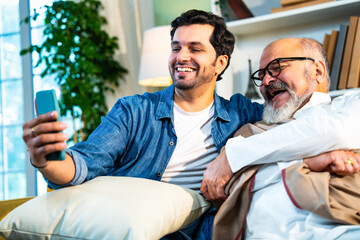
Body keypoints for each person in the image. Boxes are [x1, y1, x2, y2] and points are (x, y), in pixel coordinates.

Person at [22, 9, 263, 239]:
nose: (181, 57)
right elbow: (84, 163)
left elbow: (294, 121)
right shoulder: (133, 111)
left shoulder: (241, 112)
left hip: (205, 230)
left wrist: (228, 155)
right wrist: (45, 159)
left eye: (195, 48)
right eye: (176, 47)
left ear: (220, 62)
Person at [200, 38, 360, 239]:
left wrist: (236, 157)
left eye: (276, 68)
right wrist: (308, 162)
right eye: (261, 75)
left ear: (317, 71)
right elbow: (226, 187)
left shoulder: (350, 104)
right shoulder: (249, 133)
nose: (266, 81)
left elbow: (337, 131)